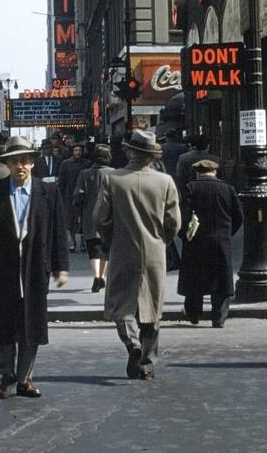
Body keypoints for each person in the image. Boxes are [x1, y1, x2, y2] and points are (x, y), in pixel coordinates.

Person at [0, 135, 70, 399]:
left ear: (32, 163)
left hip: (35, 268)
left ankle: (25, 379)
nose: (20, 167)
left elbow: (58, 231)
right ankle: (7, 376)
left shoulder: (49, 193)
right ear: (7, 165)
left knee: (32, 327)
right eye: (14, 162)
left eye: (24, 161)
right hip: (2, 269)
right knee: (5, 326)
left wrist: (61, 267)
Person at [94, 129, 182, 380]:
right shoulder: (165, 182)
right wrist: (162, 240)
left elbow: (100, 218)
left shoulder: (113, 180)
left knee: (120, 305)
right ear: (152, 155)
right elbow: (174, 221)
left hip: (122, 248)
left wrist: (110, 239)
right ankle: (146, 360)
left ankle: (132, 343)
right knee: (152, 307)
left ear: (128, 151)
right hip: (155, 251)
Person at [177, 159, 243, 327]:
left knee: (195, 278)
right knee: (221, 280)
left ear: (198, 172)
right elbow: (238, 216)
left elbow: (182, 214)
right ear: (215, 172)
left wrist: (184, 234)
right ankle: (218, 316)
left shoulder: (190, 188)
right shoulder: (227, 189)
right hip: (221, 240)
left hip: (196, 240)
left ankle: (194, 313)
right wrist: (228, 233)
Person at [73, 144, 113, 292]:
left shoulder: (85, 173)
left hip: (89, 215)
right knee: (105, 248)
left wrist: (77, 210)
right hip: (109, 215)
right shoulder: (115, 174)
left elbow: (78, 195)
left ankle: (96, 276)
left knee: (93, 247)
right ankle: (101, 275)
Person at [56, 143, 90, 251]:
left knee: (84, 219)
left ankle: (84, 243)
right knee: (70, 220)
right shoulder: (66, 164)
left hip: (84, 195)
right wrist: (60, 195)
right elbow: (61, 181)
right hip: (69, 194)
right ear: (72, 151)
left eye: (80, 150)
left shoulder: (87, 163)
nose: (78, 152)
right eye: (76, 150)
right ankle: (72, 243)